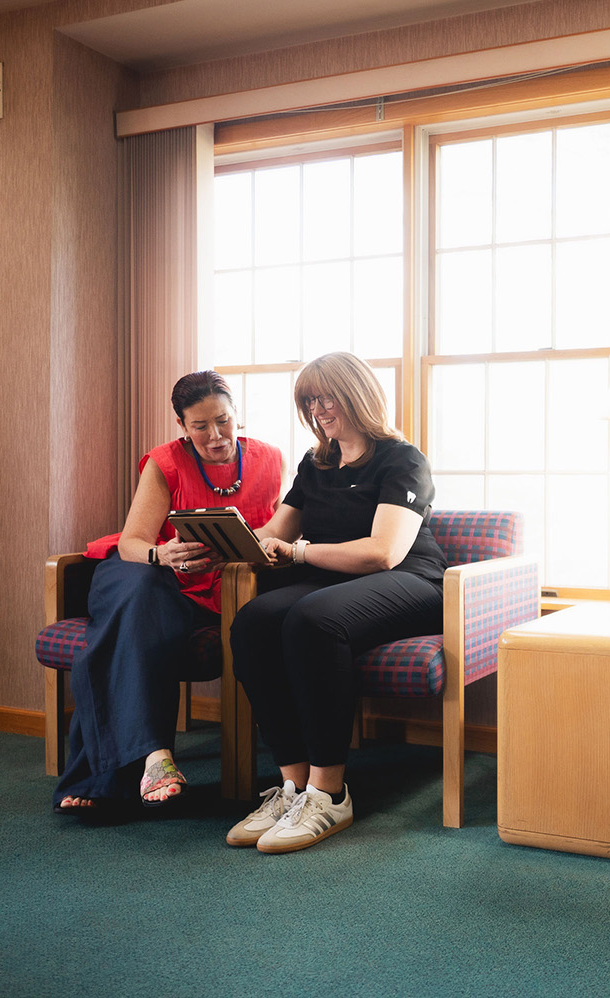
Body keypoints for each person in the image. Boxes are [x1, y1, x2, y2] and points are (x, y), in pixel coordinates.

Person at [226, 352, 446, 854]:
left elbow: (382, 552)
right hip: (330, 581)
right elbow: (273, 535)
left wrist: (299, 551)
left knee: (312, 619)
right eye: (310, 400)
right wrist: (221, 542)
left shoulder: (402, 459)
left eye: (328, 397)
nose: (320, 409)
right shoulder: (316, 462)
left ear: (358, 394)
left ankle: (329, 793)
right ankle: (293, 787)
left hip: (411, 582)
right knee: (253, 621)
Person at [54, 371, 283, 813]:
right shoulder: (166, 461)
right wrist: (165, 555)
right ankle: (157, 754)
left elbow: (276, 527)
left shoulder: (270, 459)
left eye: (223, 421)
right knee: (139, 600)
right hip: (143, 573)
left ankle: (99, 779)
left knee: (114, 638)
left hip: (219, 585)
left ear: (237, 415)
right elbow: (132, 543)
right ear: (182, 426)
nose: (215, 436)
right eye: (200, 426)